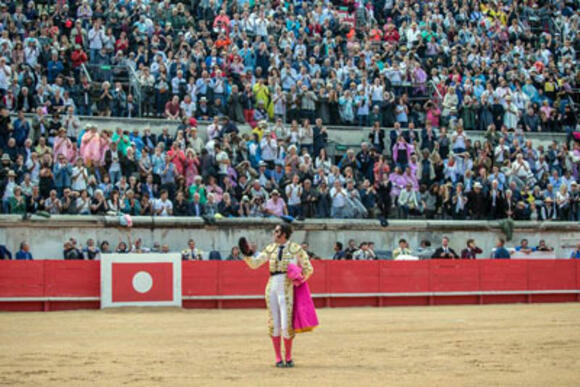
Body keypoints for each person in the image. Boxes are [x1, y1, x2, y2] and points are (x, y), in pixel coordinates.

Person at [243, 223, 315, 368]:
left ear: (283, 234)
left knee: (286, 324)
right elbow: (255, 264)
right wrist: (248, 254)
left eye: (276, 231)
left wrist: (299, 279)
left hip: (287, 288)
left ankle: (288, 357)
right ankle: (277, 358)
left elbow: (308, 269)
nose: (273, 233)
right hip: (272, 287)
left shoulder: (296, 249)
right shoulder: (271, 248)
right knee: (274, 324)